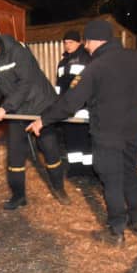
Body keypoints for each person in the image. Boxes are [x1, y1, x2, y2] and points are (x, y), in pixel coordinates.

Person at [26, 19, 137, 245]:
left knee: (111, 179)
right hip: (132, 129)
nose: (86, 47)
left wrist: (43, 120)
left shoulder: (96, 67)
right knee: (129, 172)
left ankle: (116, 230)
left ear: (94, 41)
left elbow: (70, 102)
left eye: (87, 42)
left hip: (106, 130)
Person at [0, 32, 69, 209]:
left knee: (49, 147)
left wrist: (5, 108)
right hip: (17, 110)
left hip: (40, 105)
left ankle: (59, 188)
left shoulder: (18, 53)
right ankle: (18, 195)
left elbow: (26, 83)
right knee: (15, 154)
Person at [56, 30, 94, 177]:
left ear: (80, 43)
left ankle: (89, 169)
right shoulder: (63, 62)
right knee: (71, 138)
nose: (67, 45)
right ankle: (75, 168)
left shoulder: (87, 59)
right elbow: (59, 85)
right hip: (66, 106)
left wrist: (86, 105)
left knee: (85, 138)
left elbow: (89, 84)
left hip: (83, 107)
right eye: (65, 43)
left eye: (71, 42)